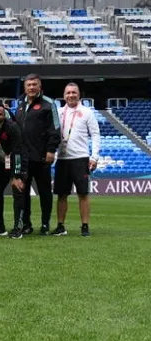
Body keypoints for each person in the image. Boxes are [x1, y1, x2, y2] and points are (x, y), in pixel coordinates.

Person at [52, 83, 100, 237]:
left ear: (79, 95)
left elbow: (95, 134)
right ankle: (60, 225)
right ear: (64, 95)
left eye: (74, 92)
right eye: (68, 93)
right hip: (63, 157)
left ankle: (85, 226)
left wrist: (94, 156)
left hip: (80, 158)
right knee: (61, 194)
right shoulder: (58, 112)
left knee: (83, 193)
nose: (71, 95)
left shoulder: (87, 112)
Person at [15, 73, 60, 235]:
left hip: (42, 157)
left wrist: (51, 150)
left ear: (40, 86)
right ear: (25, 87)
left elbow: (55, 129)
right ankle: (26, 224)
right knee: (23, 193)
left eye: (35, 84)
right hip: (24, 158)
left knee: (45, 192)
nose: (32, 87)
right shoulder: (20, 104)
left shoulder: (49, 104)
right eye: (29, 85)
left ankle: (45, 223)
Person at [0, 101, 27, 239]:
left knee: (18, 193)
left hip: (16, 163)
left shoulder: (12, 127)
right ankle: (0, 227)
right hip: (0, 166)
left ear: (4, 115)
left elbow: (18, 152)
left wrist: (16, 175)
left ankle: (17, 228)